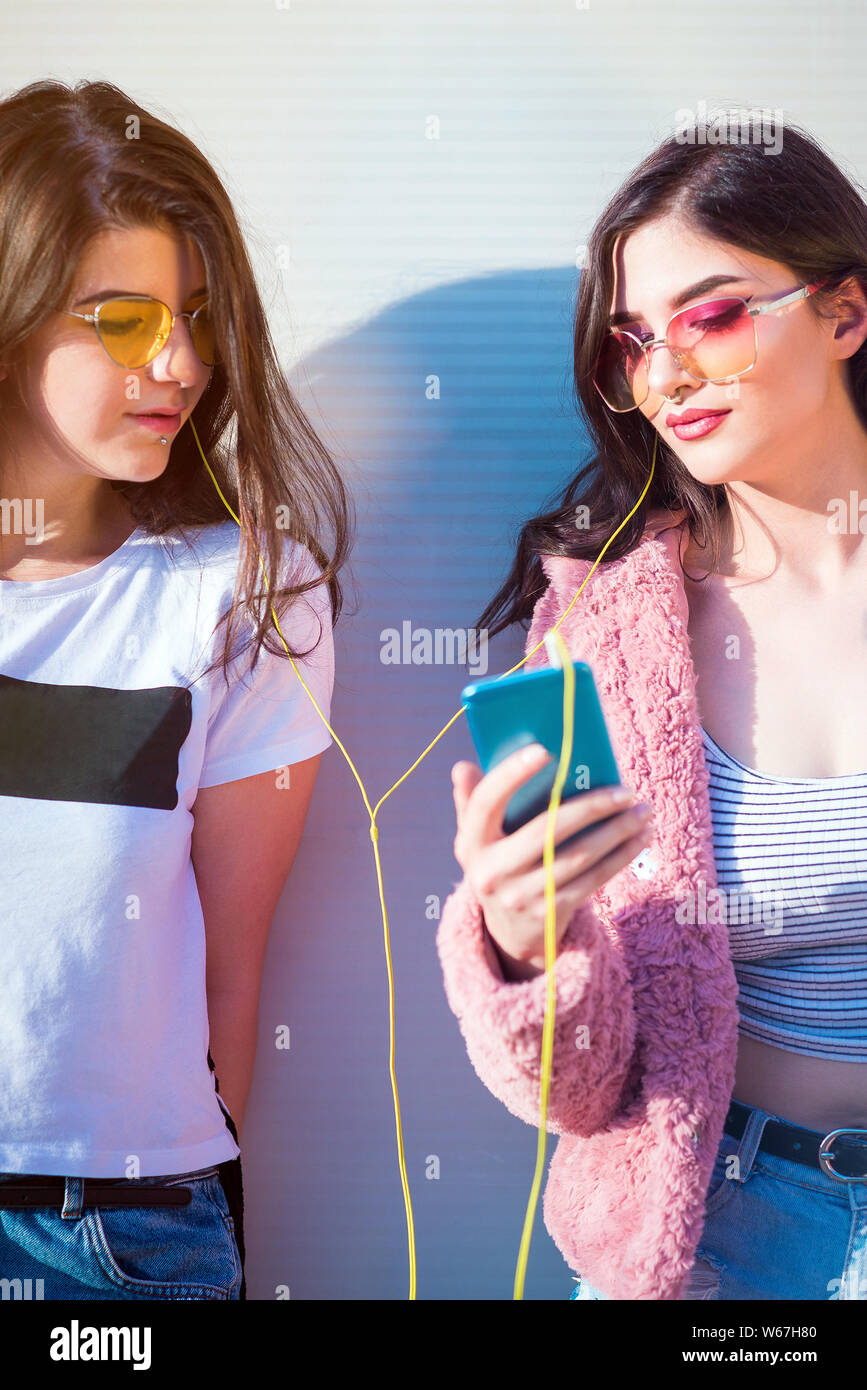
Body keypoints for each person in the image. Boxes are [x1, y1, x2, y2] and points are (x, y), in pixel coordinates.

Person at [437, 113, 867, 1300]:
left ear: (845, 312)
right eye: (636, 338)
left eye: (713, 314)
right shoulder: (599, 637)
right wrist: (526, 944)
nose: (666, 372)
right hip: (722, 1237)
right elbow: (575, 1091)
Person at [0, 78, 351, 1300]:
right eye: (124, 318)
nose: (184, 363)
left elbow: (228, 974)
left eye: (198, 317)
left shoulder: (246, 591)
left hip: (122, 1235)